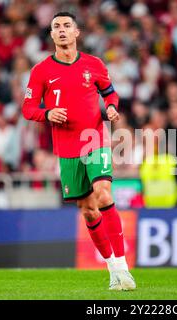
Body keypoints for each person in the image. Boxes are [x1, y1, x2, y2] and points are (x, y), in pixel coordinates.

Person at [22, 12, 136, 291]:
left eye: (66, 26)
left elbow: (110, 92)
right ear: (51, 35)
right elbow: (28, 108)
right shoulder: (40, 71)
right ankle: (112, 270)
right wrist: (48, 113)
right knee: (87, 210)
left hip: (94, 138)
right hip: (66, 148)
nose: (61, 30)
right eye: (56, 27)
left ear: (76, 32)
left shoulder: (93, 64)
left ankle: (123, 267)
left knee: (103, 193)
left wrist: (111, 107)